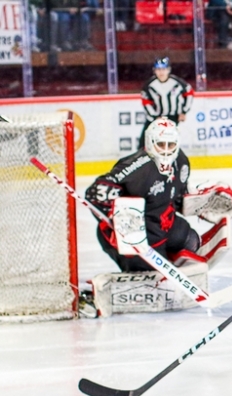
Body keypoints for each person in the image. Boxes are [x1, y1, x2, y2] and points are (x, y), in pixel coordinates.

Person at [86, 118, 198, 273]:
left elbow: (177, 196)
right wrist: (119, 219)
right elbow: (95, 193)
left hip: (163, 224)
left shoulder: (181, 163)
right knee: (150, 275)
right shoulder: (138, 166)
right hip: (140, 236)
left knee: (192, 241)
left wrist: (199, 202)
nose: (166, 150)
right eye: (160, 144)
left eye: (170, 145)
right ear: (150, 142)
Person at [138, 57, 194, 150]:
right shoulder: (149, 85)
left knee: (168, 141)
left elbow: (189, 93)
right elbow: (146, 101)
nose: (161, 72)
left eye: (164, 69)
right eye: (158, 69)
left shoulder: (177, 82)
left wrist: (184, 111)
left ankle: (169, 162)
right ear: (154, 70)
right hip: (155, 118)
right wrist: (155, 117)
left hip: (173, 116)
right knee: (144, 142)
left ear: (168, 70)